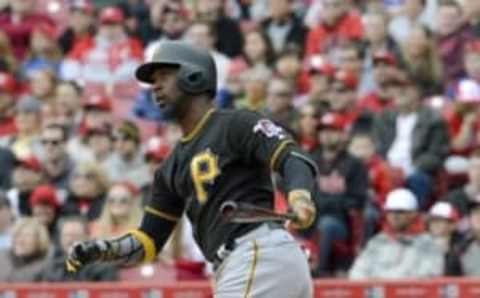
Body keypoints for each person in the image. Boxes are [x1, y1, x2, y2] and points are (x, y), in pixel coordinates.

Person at [66, 41, 317, 298]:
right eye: (153, 80)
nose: (155, 86)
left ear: (194, 76)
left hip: (258, 254)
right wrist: (103, 249)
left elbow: (293, 157)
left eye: (164, 75)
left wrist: (299, 196)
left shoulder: (236, 123)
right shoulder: (169, 167)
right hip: (243, 265)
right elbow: (148, 243)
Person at [349, 188, 444, 279]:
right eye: (390, 212)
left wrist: (384, 283)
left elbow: (429, 275)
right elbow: (357, 272)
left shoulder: (428, 243)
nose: (394, 216)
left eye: (400, 212)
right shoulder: (377, 241)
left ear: (413, 213)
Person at [37, 216, 118, 282]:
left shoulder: (103, 267)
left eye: (76, 236)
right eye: (67, 235)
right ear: (60, 239)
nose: (70, 240)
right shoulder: (52, 267)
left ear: (87, 239)